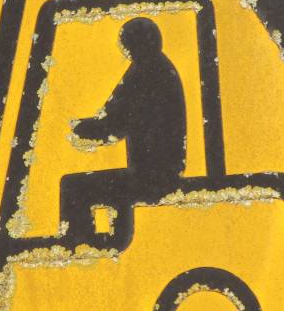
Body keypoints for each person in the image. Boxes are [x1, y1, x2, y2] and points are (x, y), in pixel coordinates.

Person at [58, 16, 187, 238]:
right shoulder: (157, 68)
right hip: (159, 171)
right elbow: (117, 117)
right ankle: (100, 243)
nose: (125, 50)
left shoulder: (147, 73)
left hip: (154, 177)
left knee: (74, 187)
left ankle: (83, 247)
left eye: (127, 44)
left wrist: (80, 128)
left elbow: (114, 124)